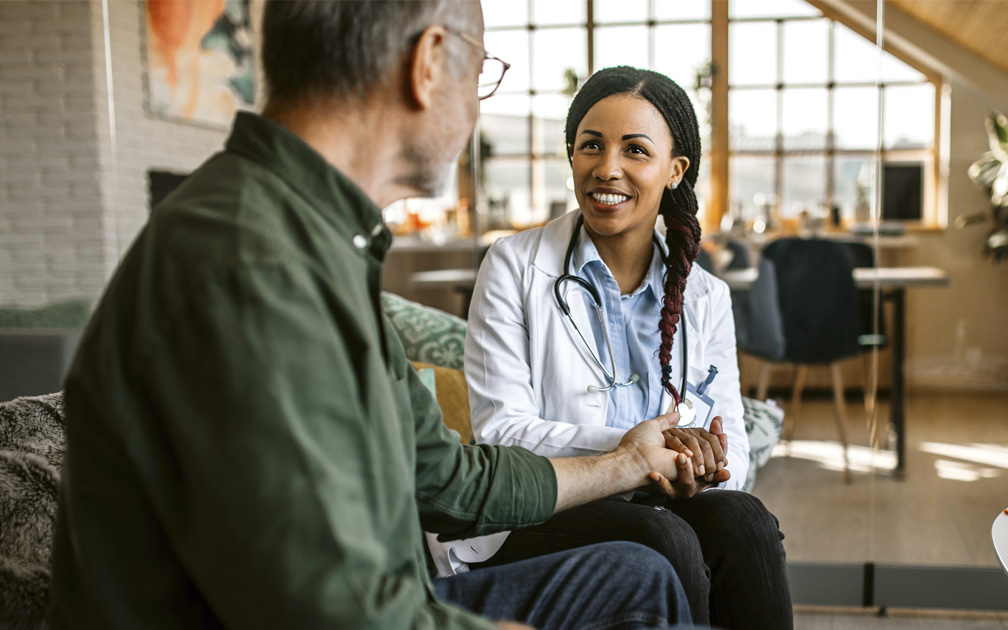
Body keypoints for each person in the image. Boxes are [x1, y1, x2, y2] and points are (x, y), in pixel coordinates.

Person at [48, 3, 701, 629]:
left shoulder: (313, 239)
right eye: (481, 72)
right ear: (428, 62)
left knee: (634, 575)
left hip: (387, 595)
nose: (478, 103)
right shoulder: (253, 267)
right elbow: (325, 613)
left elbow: (447, 480)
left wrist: (624, 462)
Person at [463, 66, 792, 630]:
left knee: (746, 521)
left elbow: (730, 440)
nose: (606, 167)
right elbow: (500, 434)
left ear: (674, 170)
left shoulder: (705, 295)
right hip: (544, 509)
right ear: (572, 158)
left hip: (664, 499)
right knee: (663, 537)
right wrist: (631, 454)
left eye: (635, 150)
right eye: (591, 145)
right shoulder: (513, 266)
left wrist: (701, 465)